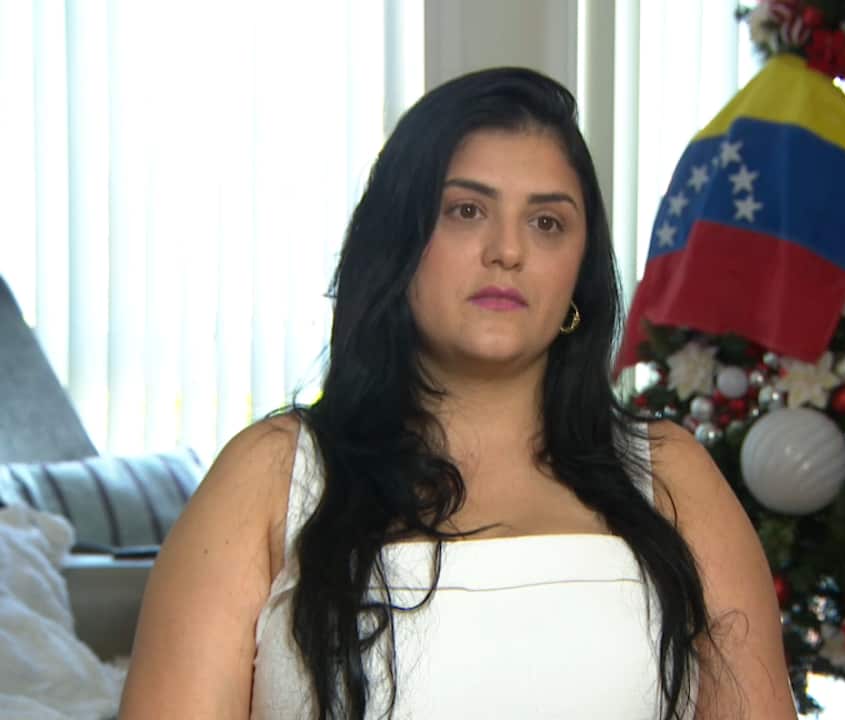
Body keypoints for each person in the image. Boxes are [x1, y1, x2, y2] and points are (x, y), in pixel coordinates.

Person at [119, 67, 795, 719]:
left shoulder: (669, 475)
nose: (507, 250)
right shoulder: (270, 475)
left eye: (547, 222)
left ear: (577, 277)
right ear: (399, 243)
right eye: (466, 211)